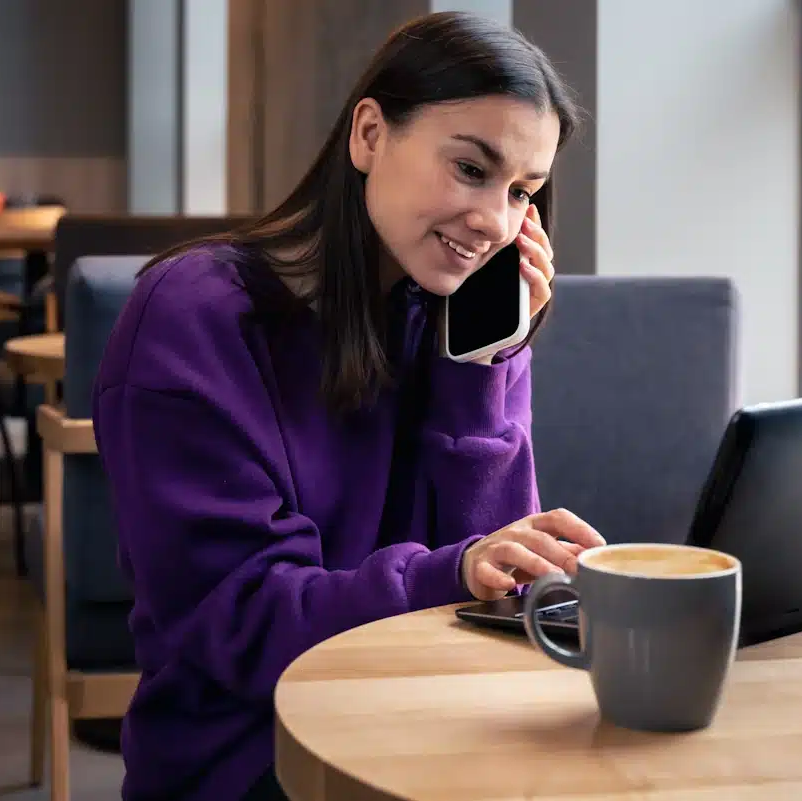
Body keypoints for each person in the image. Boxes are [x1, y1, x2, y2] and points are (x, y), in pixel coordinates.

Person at [92, 12, 604, 801]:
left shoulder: (438, 321)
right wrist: (457, 572)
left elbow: (499, 597)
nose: (495, 222)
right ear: (370, 134)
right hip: (250, 762)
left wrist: (484, 365)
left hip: (429, 732)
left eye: (521, 194)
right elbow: (247, 619)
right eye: (472, 168)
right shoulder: (194, 316)